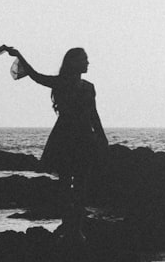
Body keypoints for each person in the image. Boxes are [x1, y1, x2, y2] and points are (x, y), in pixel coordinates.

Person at [6, 47, 108, 217]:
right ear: (73, 62)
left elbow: (94, 115)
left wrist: (102, 137)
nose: (87, 62)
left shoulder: (89, 87)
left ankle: (77, 216)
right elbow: (36, 76)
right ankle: (69, 216)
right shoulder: (61, 82)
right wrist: (19, 56)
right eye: (84, 59)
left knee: (82, 178)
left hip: (83, 136)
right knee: (66, 178)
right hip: (66, 136)